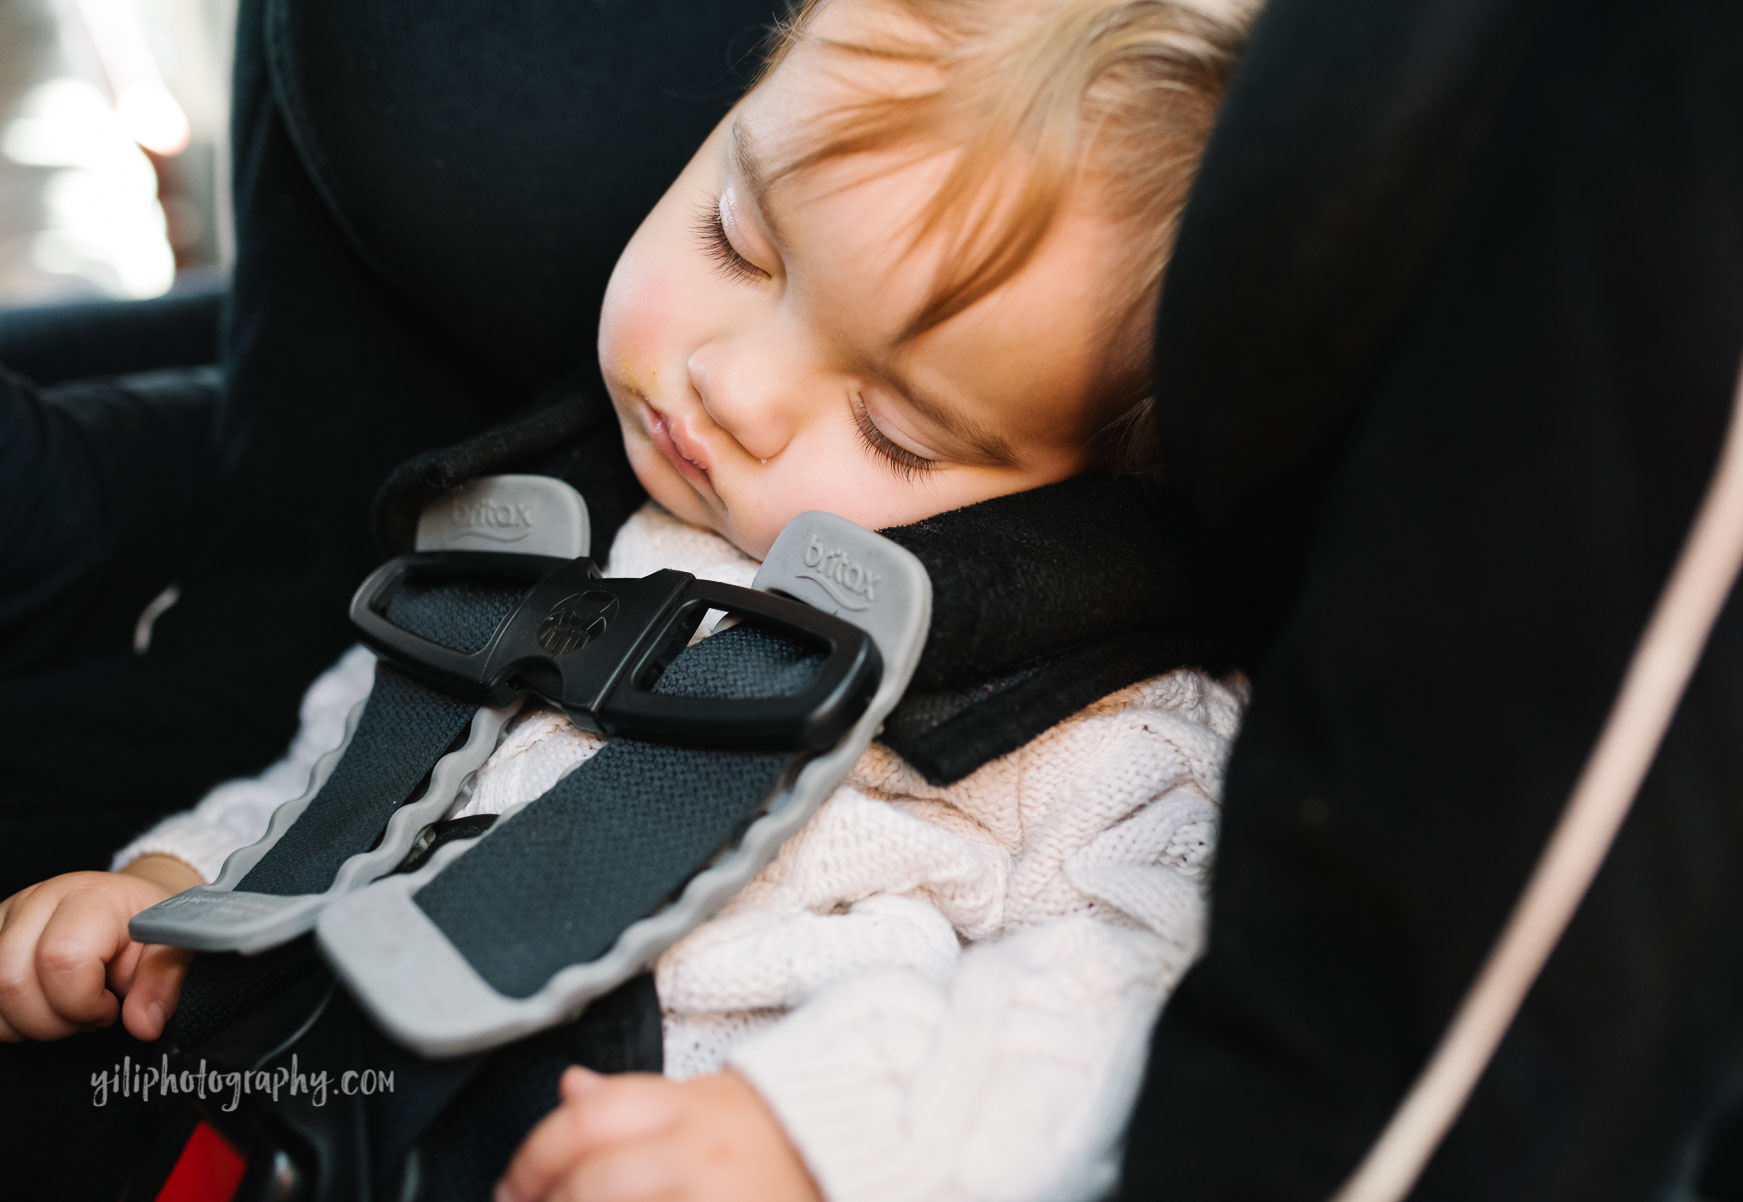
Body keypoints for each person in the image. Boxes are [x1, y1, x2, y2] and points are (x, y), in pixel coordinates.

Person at [0, 1, 1259, 1198]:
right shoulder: (553, 511)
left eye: (896, 426)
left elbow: (1141, 992)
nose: (728, 383)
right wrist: (186, 877)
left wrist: (815, 1130)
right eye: (738, 240)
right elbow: (361, 755)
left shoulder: (1104, 729)